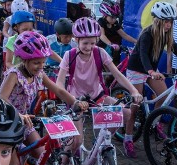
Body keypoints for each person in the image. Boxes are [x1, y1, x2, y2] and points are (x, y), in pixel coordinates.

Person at [0, 32, 87, 165]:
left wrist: (75, 102)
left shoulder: (39, 74)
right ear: (24, 60)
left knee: (41, 155)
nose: (40, 66)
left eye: (43, 62)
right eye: (36, 62)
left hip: (26, 123)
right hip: (7, 123)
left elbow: (58, 90)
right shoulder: (14, 74)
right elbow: (1, 98)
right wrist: (19, 115)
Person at [57, 17, 142, 152]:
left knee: (125, 114)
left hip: (98, 96)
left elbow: (118, 75)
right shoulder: (69, 55)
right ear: (76, 39)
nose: (89, 47)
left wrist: (133, 91)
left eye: (92, 43)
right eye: (85, 43)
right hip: (77, 101)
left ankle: (101, 140)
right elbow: (60, 82)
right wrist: (69, 99)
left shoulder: (100, 53)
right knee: (77, 141)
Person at [122, 2, 177, 158]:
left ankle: (154, 123)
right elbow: (143, 55)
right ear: (158, 21)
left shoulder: (167, 34)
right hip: (137, 70)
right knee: (135, 106)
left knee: (165, 96)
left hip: (151, 71)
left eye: (171, 21)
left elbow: (176, 50)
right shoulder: (147, 34)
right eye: (166, 21)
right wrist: (151, 71)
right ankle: (128, 139)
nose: (169, 24)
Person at [98, 0, 136, 64]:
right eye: (112, 17)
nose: (114, 19)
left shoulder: (115, 23)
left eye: (116, 17)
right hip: (103, 49)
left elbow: (124, 35)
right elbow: (102, 35)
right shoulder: (101, 22)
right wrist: (111, 44)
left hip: (115, 50)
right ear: (105, 15)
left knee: (116, 66)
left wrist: (136, 41)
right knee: (107, 67)